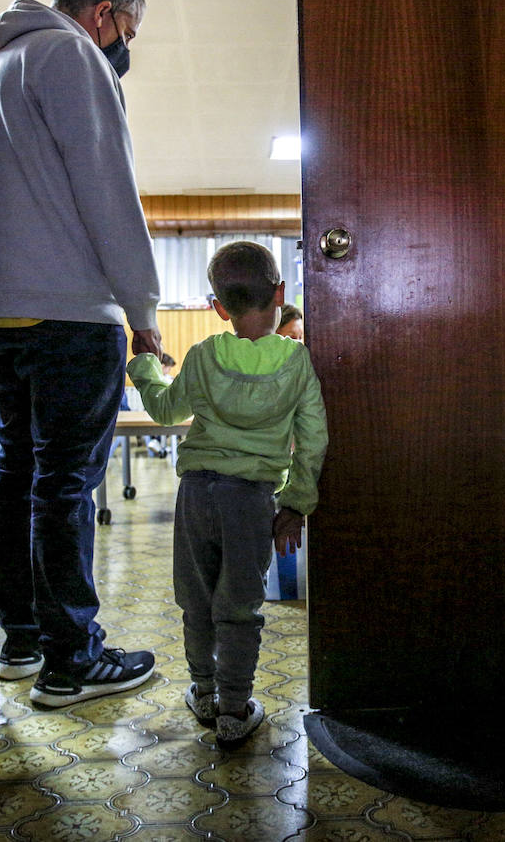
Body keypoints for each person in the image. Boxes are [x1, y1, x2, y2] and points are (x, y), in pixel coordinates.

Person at [0, 0, 162, 706]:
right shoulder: (73, 55)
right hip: (70, 316)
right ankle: (73, 660)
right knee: (64, 487)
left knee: (17, 475)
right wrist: (143, 308)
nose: (126, 46)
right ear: (102, 13)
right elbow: (107, 188)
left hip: (7, 313)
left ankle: (21, 638)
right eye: (129, 30)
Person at [128, 242, 327, 747]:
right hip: (252, 499)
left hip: (196, 494)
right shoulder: (298, 361)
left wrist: (145, 369)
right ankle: (236, 711)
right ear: (280, 294)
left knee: (196, 599)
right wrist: (297, 503)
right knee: (240, 606)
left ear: (218, 308)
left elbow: (168, 412)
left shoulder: (203, 355)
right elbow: (313, 439)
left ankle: (204, 692)